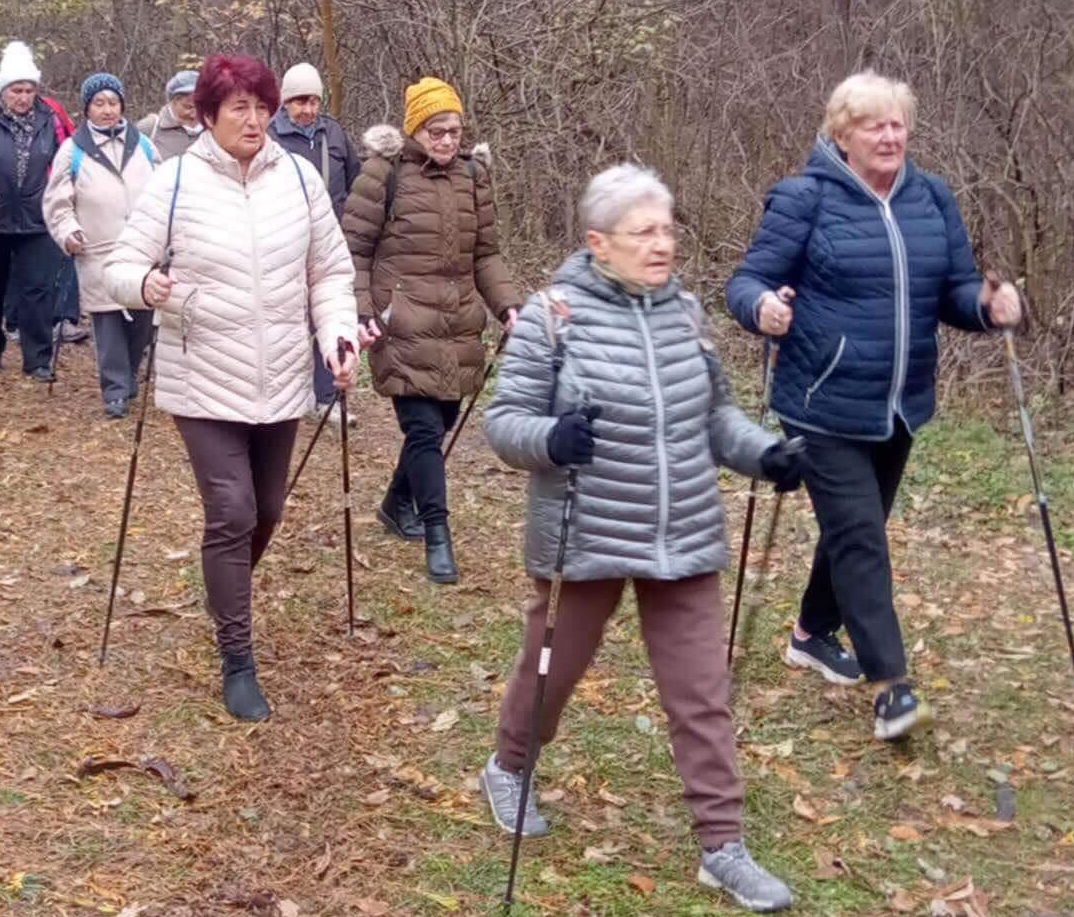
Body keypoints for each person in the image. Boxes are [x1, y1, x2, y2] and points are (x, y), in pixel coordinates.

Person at [478, 164, 801, 914]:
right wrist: (553, 436)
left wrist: (767, 454)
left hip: (682, 531)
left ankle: (723, 846)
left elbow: (715, 419)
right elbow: (504, 423)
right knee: (552, 670)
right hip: (584, 532)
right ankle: (510, 763)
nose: (662, 244)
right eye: (643, 232)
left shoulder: (684, 314)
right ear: (599, 242)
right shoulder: (554, 315)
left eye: (667, 228)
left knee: (702, 693)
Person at [725, 71, 1022, 743]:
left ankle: (810, 632)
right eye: (873, 125)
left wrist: (987, 304)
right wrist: (764, 308)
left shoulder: (931, 198)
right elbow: (744, 281)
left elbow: (952, 290)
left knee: (852, 526)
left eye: (897, 124)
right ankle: (893, 686)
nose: (889, 136)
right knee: (861, 533)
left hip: (899, 403)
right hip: (820, 399)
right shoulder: (804, 199)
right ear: (842, 134)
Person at [107, 54, 358, 723]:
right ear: (210, 115)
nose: (253, 119)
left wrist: (337, 334)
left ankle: (224, 592)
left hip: (280, 376)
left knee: (268, 509)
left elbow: (329, 270)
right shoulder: (176, 182)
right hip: (203, 376)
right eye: (238, 107)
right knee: (233, 510)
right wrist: (145, 285)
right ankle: (237, 656)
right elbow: (120, 265)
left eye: (261, 106)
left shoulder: (300, 179)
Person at [343, 76, 520, 586]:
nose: (446, 140)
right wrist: (360, 312)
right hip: (400, 322)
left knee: (438, 425)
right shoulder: (383, 174)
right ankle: (438, 533)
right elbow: (353, 249)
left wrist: (508, 306)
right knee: (422, 429)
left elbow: (485, 254)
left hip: (460, 321)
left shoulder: (473, 178)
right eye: (436, 130)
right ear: (414, 130)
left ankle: (397, 504)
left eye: (454, 131)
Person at [43, 72, 160, 419]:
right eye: (99, 104)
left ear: (122, 105)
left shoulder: (144, 145)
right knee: (107, 321)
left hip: (142, 248)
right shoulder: (72, 150)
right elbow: (57, 202)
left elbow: (164, 189)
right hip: (98, 250)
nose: (107, 110)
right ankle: (115, 390)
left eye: (113, 102)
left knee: (141, 318)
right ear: (87, 109)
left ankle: (129, 377)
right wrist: (68, 232)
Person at [269, 61, 362, 422]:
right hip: (282, 241)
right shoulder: (270, 137)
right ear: (286, 103)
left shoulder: (334, 135)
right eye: (299, 101)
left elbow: (355, 181)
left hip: (328, 240)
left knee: (329, 317)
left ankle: (327, 398)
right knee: (287, 317)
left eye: (313, 101)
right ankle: (286, 393)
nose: (307, 109)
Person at [0, 41, 72, 382]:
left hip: (38, 216)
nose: (24, 97)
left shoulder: (52, 119)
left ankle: (37, 358)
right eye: (17, 90)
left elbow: (67, 160)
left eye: (30, 90)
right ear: (3, 90)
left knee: (38, 289)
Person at [138, 68, 203, 159]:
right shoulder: (149, 129)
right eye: (188, 107)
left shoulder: (214, 130)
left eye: (200, 106)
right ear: (174, 101)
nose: (194, 114)